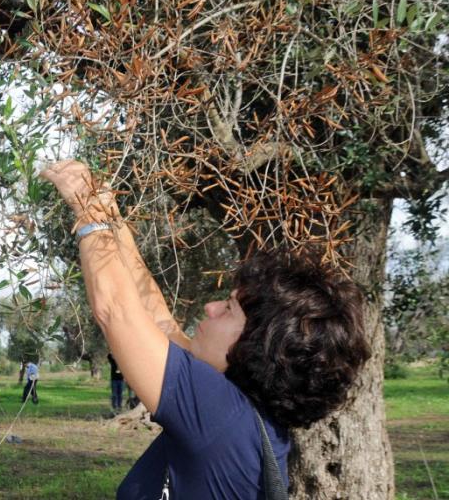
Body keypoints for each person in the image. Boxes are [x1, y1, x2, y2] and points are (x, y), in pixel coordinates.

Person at [40, 160, 370, 499]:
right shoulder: (246, 417)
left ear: (256, 347)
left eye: (228, 310)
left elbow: (116, 311)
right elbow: (157, 318)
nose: (210, 308)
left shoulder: (218, 415)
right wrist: (113, 219)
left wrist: (87, 207)